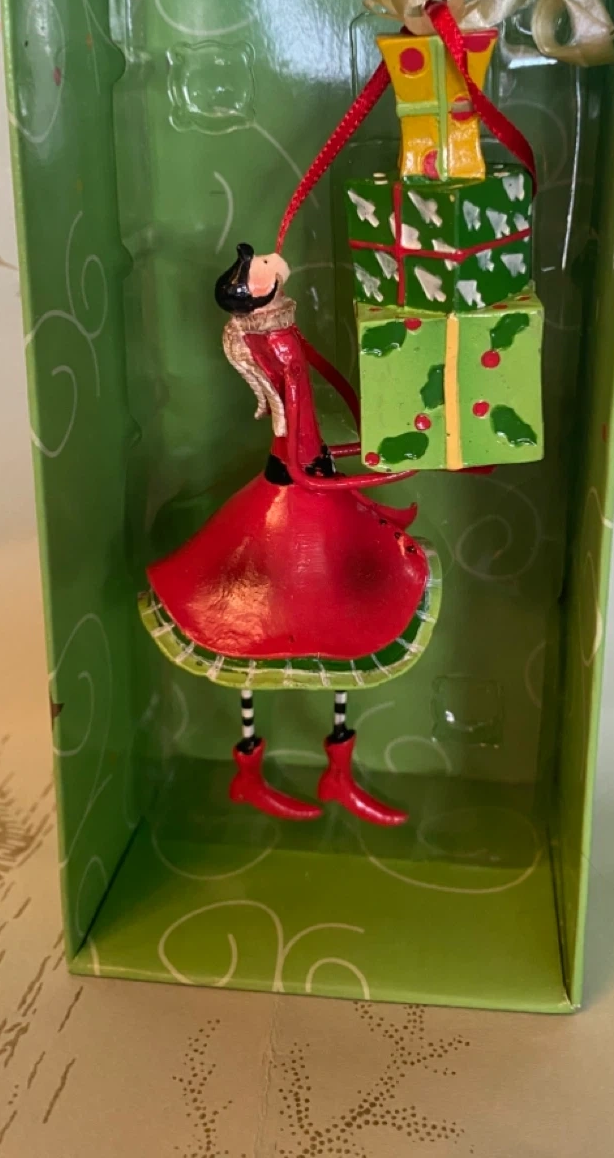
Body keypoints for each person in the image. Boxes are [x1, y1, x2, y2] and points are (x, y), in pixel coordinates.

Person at [139, 243, 442, 826]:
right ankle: (251, 777)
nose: (271, 264)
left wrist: (361, 447)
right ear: (253, 293)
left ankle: (335, 776)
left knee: (339, 626)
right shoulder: (271, 342)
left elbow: (311, 405)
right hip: (296, 484)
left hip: (307, 475)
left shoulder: (278, 330)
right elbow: (296, 422)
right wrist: (340, 470)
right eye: (258, 270)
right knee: (273, 628)